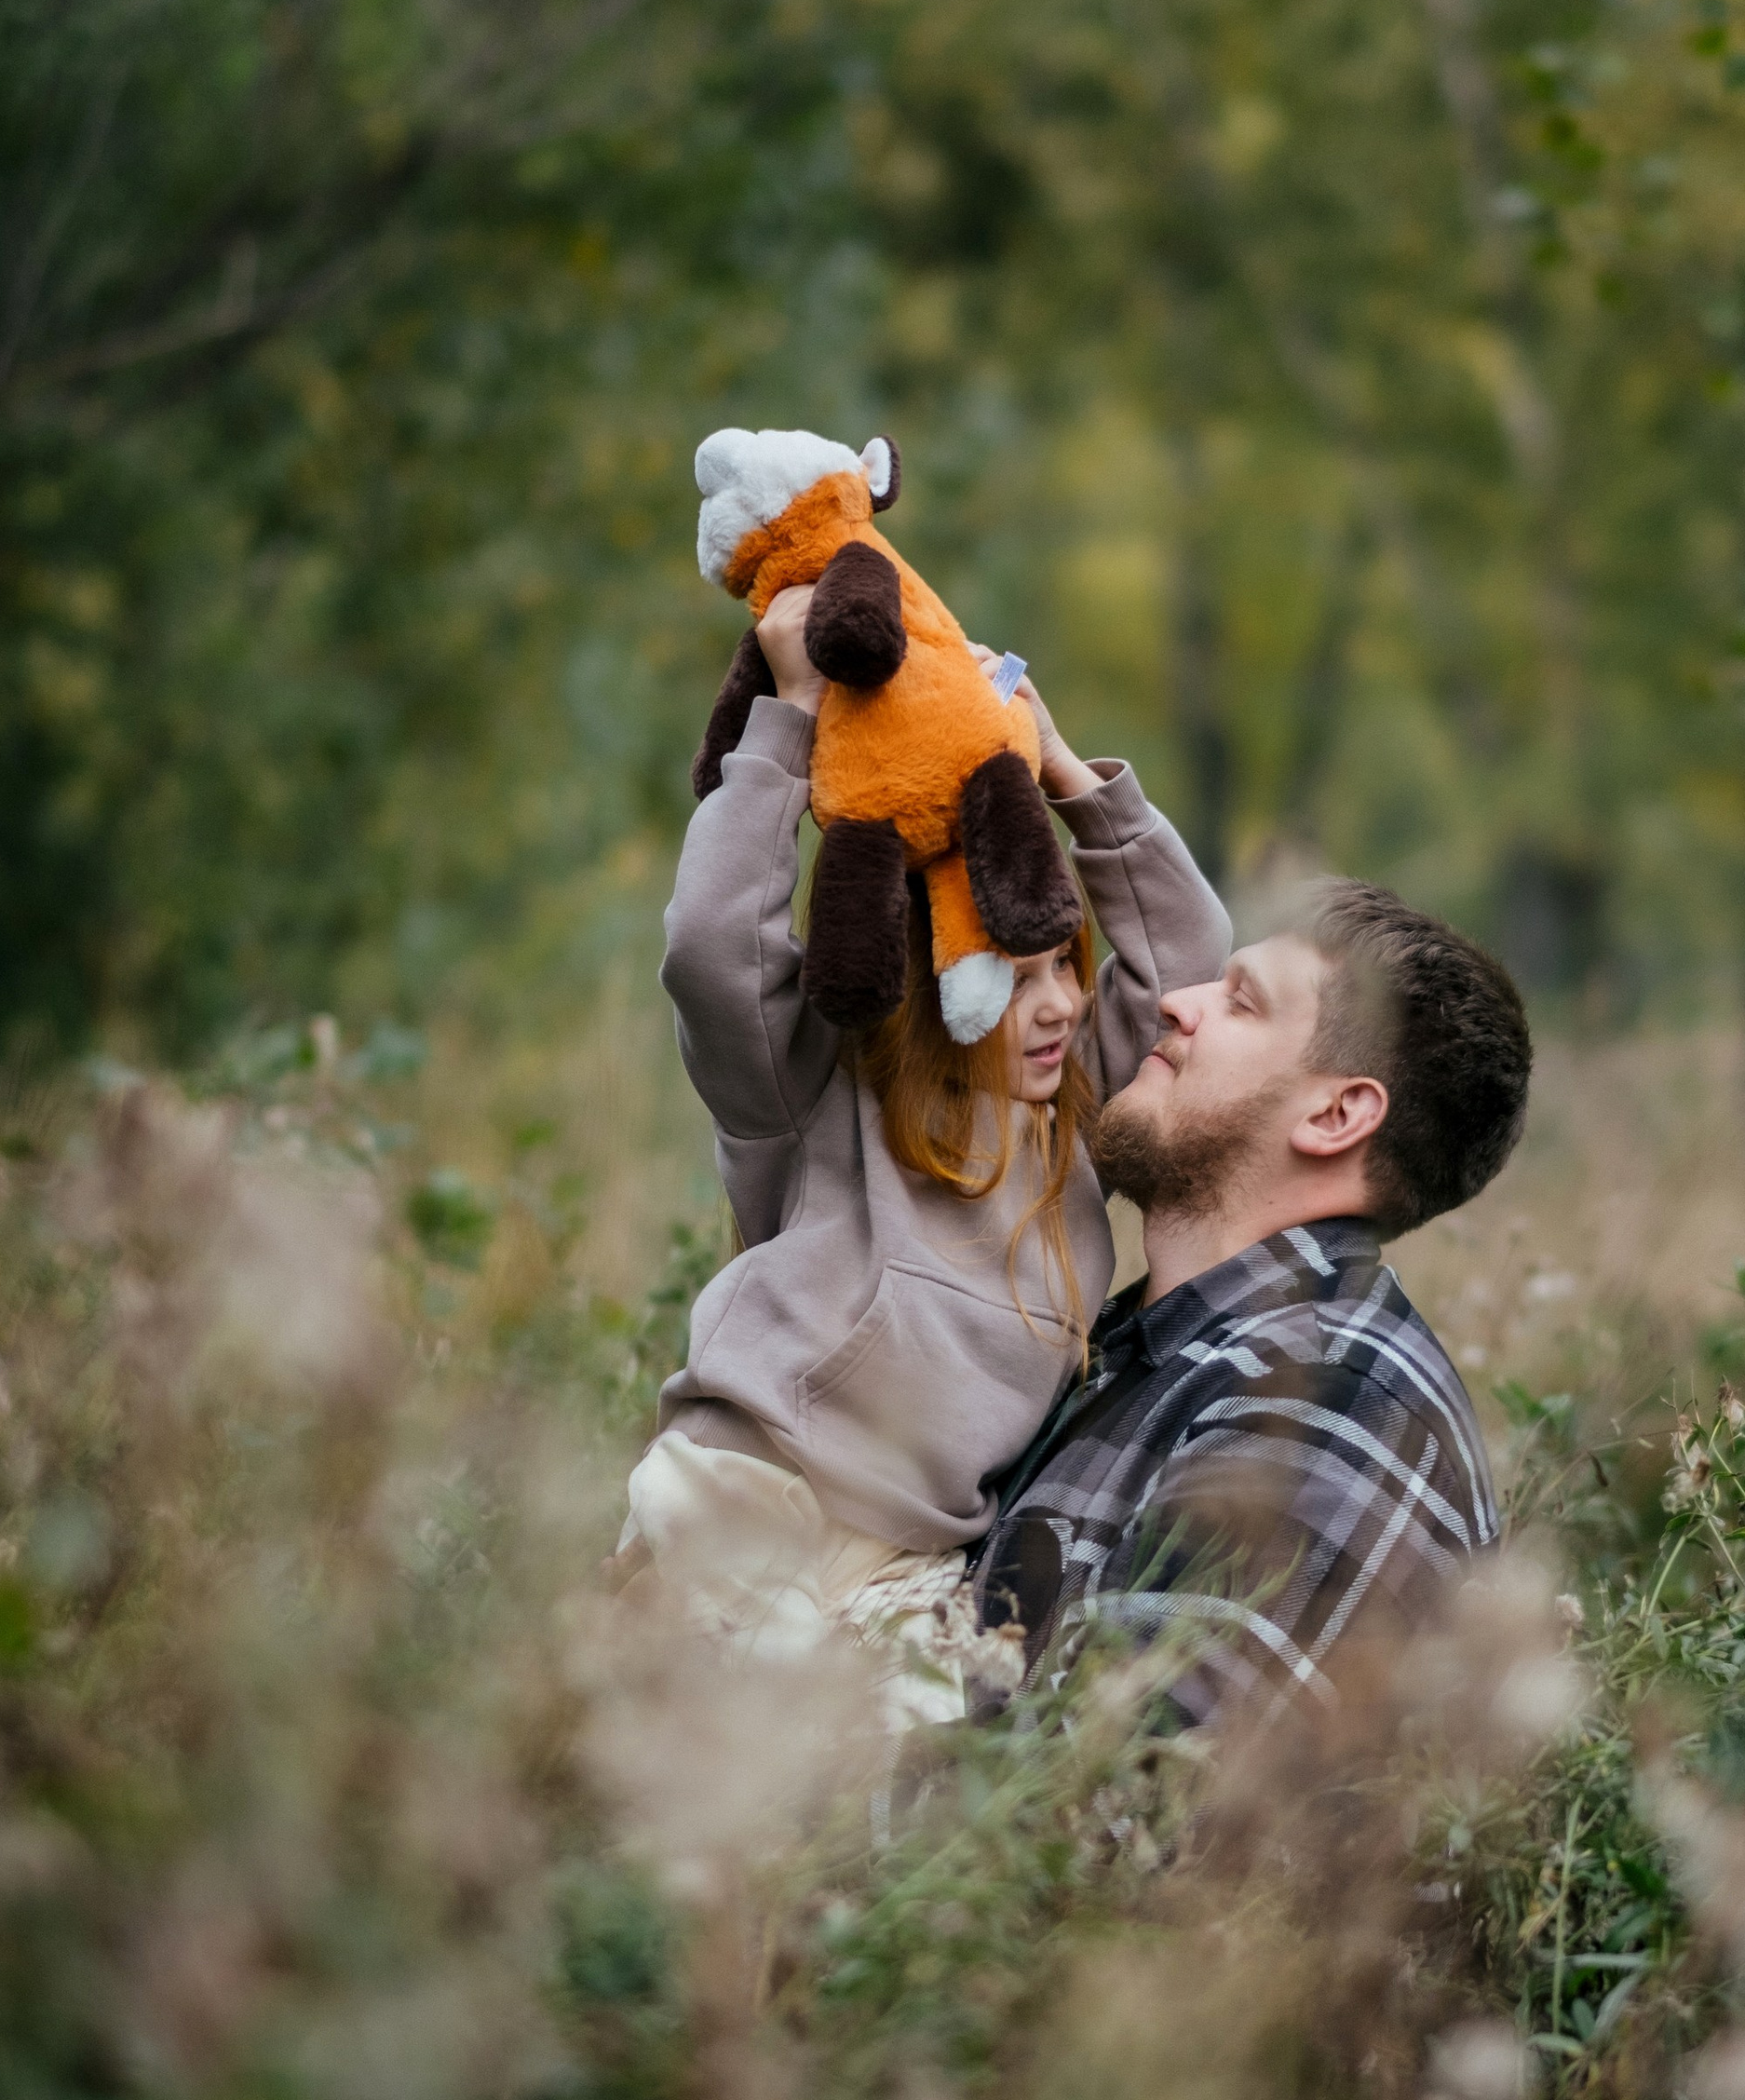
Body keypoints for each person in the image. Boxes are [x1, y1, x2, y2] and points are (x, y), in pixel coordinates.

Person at [624, 577, 1230, 1714]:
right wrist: (786, 725)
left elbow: (1187, 961)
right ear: (925, 983)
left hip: (907, 1565)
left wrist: (1065, 772)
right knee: (757, 1757)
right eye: (1013, 977)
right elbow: (710, 947)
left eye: (1064, 967)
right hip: (752, 1495)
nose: (1058, 1006)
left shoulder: (1075, 1118)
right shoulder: (816, 1090)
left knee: (945, 1764)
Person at [972, 883, 1532, 1725]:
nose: (1176, 1003)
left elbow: (1117, 1786)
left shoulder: (1325, 1403)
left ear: (1336, 1114)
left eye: (1240, 1001)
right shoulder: (1137, 1349)